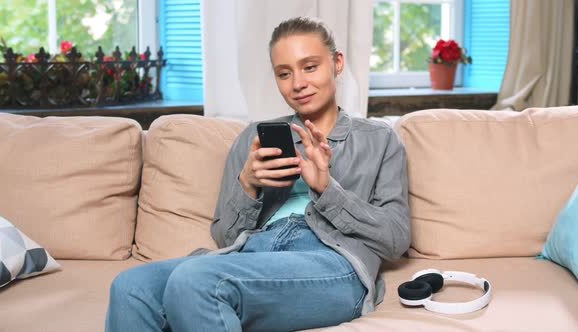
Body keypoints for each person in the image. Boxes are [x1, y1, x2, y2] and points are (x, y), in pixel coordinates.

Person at [105, 16, 410, 332]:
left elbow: (396, 238)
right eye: (284, 73)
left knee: (196, 279)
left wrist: (326, 189)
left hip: (331, 260)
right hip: (254, 252)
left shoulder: (379, 139)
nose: (297, 84)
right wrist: (248, 185)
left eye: (310, 67)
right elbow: (225, 236)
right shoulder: (254, 139)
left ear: (337, 63)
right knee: (131, 287)